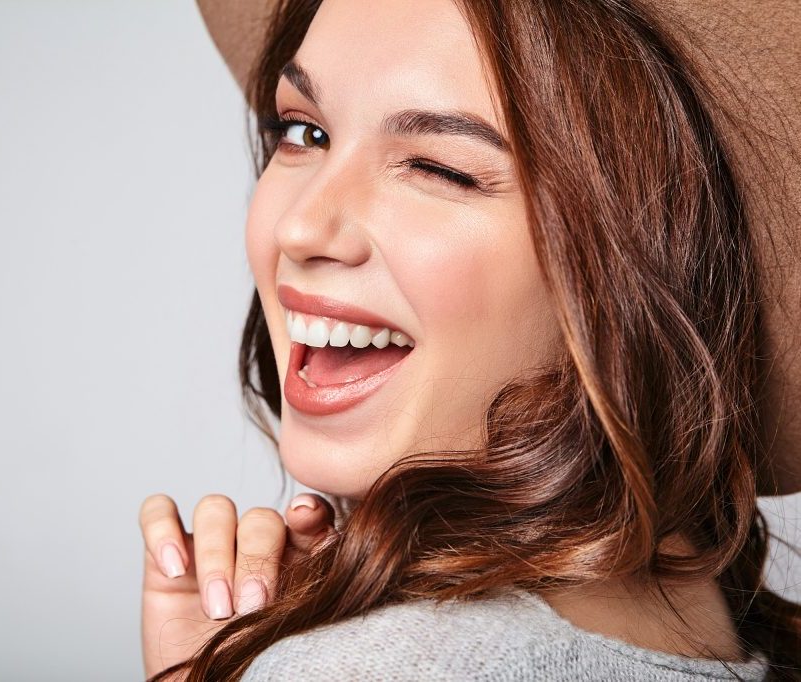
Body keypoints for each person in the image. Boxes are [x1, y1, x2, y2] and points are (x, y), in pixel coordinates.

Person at [140, 0, 801, 679]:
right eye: (304, 132)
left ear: (645, 253)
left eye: (438, 168)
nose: (300, 229)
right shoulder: (720, 638)